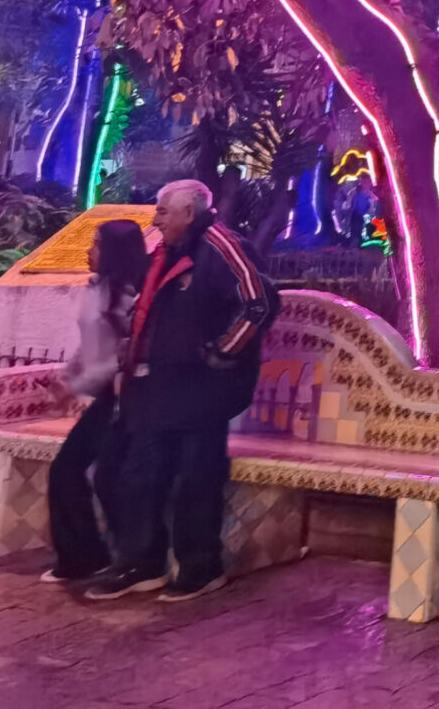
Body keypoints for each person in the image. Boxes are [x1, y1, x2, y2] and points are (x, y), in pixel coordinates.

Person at [81, 181, 277, 603]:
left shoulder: (223, 245)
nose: (155, 219)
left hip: (206, 386)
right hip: (159, 384)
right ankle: (140, 563)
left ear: (190, 211)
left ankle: (200, 567)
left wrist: (221, 352)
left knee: (196, 476)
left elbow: (260, 302)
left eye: (163, 211)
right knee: (138, 474)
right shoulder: (168, 250)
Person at [42, 219, 149, 585]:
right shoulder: (99, 288)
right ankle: (84, 556)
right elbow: (91, 344)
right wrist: (69, 377)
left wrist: (76, 386)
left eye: (98, 245)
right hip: (105, 396)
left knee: (101, 475)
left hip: (125, 398)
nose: (89, 251)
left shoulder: (127, 296)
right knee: (68, 471)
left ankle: (123, 558)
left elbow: (118, 356)